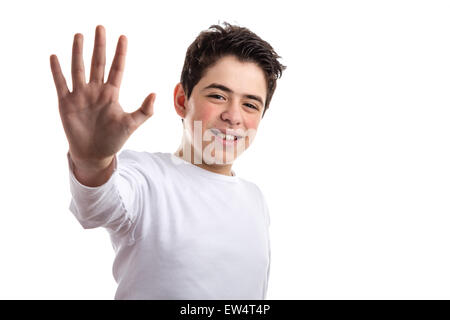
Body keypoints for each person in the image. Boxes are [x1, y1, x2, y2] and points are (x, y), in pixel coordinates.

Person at [49, 22, 286, 300]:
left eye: (250, 104)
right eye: (218, 96)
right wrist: (92, 160)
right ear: (182, 100)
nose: (233, 116)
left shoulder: (255, 198)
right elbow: (97, 206)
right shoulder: (145, 176)